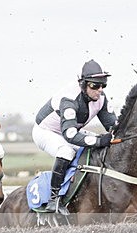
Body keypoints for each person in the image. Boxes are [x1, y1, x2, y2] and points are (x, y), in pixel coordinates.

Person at [32, 59, 118, 214]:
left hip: (69, 131)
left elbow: (114, 127)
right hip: (46, 132)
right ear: (83, 84)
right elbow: (70, 135)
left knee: (100, 149)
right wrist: (99, 140)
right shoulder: (69, 99)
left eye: (103, 85)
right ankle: (54, 198)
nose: (99, 90)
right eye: (94, 85)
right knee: (66, 151)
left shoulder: (101, 98)